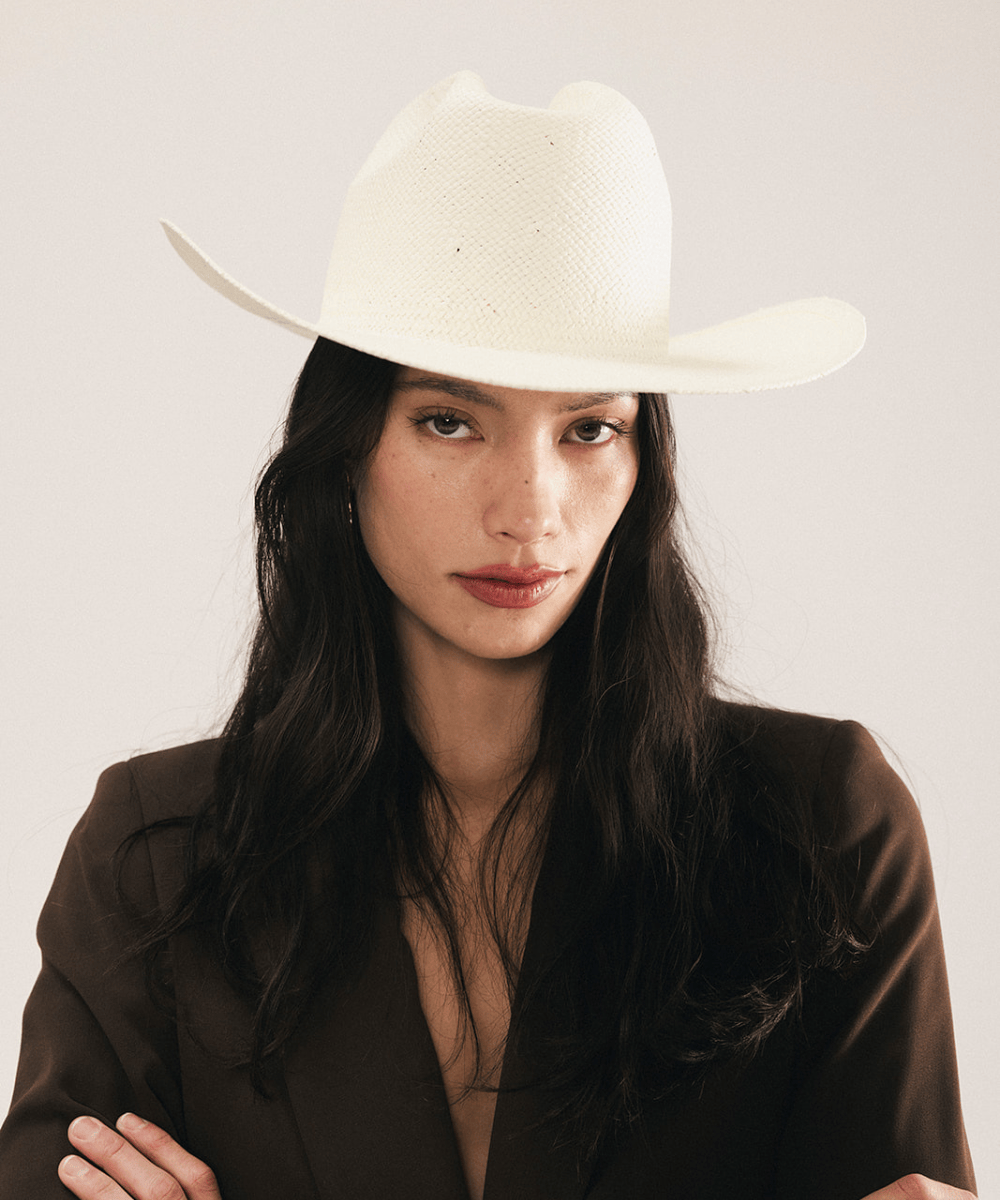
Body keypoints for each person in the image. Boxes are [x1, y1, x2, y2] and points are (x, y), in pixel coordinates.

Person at [0, 72, 977, 1200]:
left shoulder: (818, 830)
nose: (529, 510)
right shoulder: (156, 857)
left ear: (641, 463)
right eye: (450, 420)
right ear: (345, 448)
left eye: (589, 427)